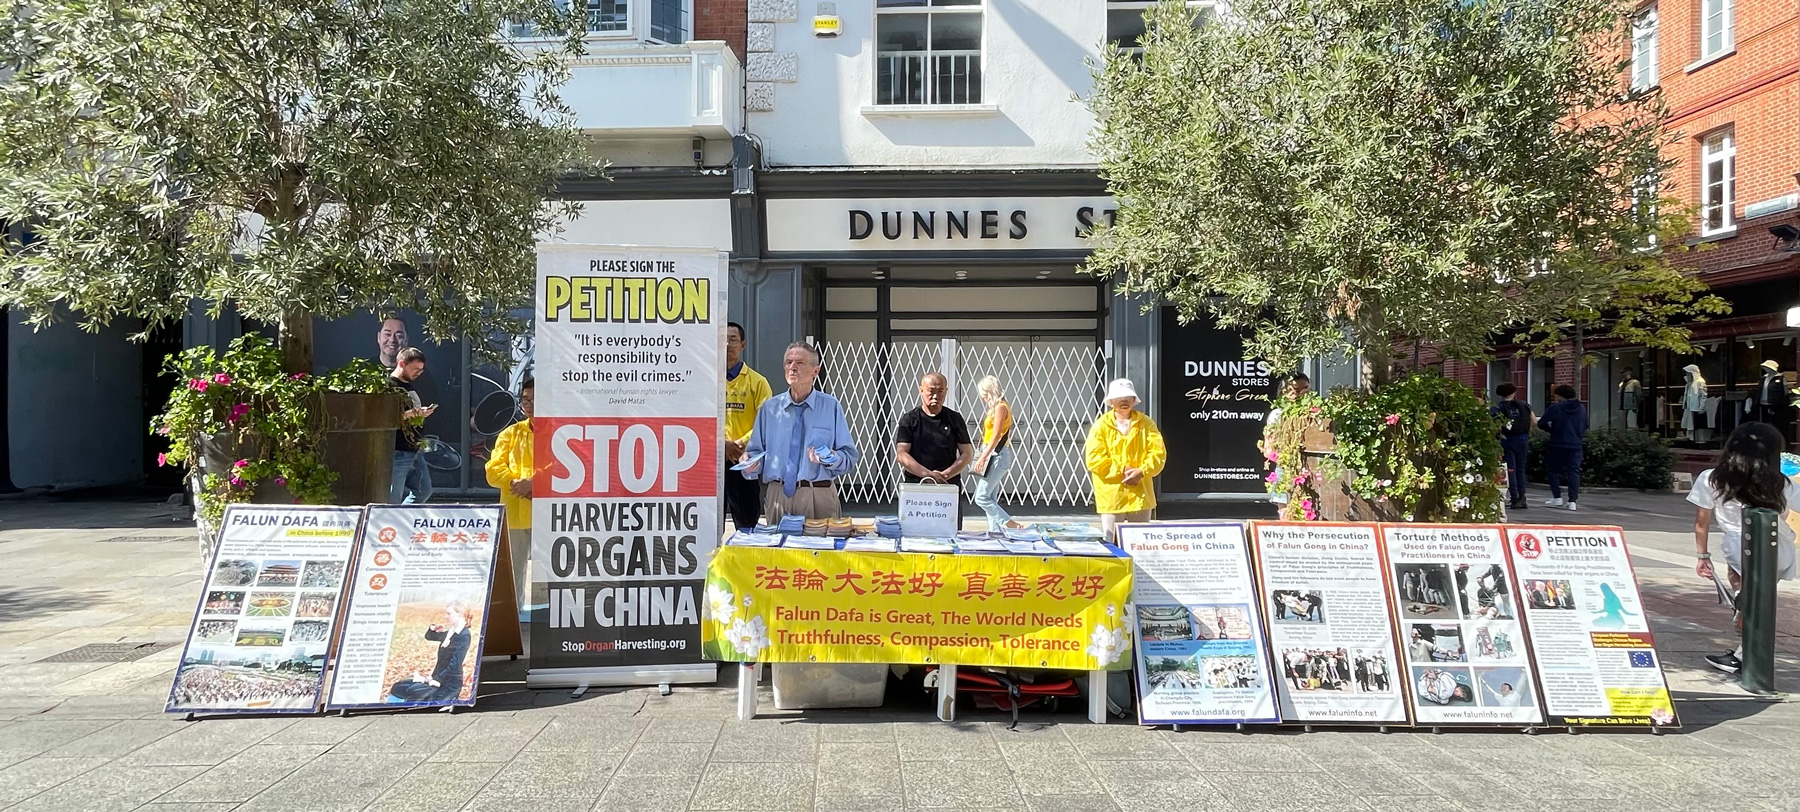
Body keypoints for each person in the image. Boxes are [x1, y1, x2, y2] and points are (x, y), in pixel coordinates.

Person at [1689, 422, 1800, 674]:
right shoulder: (1780, 483)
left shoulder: (1711, 478)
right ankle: (1742, 653)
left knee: (1740, 581)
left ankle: (1742, 598)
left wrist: (1703, 555)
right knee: (1763, 598)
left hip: (1739, 543)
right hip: (1777, 545)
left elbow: (1701, 522)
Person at [743, 342, 860, 522]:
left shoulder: (831, 407)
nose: (792, 367)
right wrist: (749, 463)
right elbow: (755, 454)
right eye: (788, 362)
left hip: (818, 495)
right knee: (777, 541)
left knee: (823, 541)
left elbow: (849, 458)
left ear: (815, 371)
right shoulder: (770, 409)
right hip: (778, 495)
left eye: (800, 363)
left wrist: (830, 458)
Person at [1085, 378, 1167, 543]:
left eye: (1127, 397)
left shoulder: (1146, 423)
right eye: (1119, 398)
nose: (1124, 401)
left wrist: (1141, 471)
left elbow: (1158, 453)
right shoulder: (1101, 426)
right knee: (1111, 541)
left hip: (1140, 494)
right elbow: (1094, 458)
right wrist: (1122, 471)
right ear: (1111, 401)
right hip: (1112, 495)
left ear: (1133, 399)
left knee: (1141, 542)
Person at [485, 377, 536, 607]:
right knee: (514, 570)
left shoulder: (559, 432)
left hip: (549, 514)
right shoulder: (510, 433)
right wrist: (517, 484)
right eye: (525, 400)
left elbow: (563, 467)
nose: (529, 405)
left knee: (551, 571)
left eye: (535, 400)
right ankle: (517, 616)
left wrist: (534, 483)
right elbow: (493, 470)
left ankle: (547, 617)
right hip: (516, 512)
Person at [723, 323, 772, 530]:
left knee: (747, 526)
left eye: (733, 339)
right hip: (713, 461)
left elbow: (766, 421)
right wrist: (721, 444)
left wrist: (740, 444)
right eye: (723, 339)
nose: (727, 344)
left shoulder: (757, 382)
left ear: (743, 344)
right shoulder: (708, 380)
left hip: (745, 461)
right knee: (710, 526)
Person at [895, 371, 974, 493]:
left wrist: (945, 475)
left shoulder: (954, 418)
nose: (936, 396)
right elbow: (902, 454)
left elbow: (967, 454)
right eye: (931, 391)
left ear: (946, 391)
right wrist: (928, 475)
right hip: (916, 485)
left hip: (948, 485)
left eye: (940, 391)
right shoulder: (909, 419)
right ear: (921, 390)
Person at [387, 602, 473, 703]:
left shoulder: (463, 635)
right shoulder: (451, 632)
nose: (446, 616)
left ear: (460, 614)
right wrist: (432, 629)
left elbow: (455, 664)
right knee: (398, 687)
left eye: (449, 613)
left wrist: (438, 679)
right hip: (436, 678)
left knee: (414, 693)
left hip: (449, 684)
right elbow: (430, 636)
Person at [970, 375, 1020, 530]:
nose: (983, 398)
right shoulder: (998, 407)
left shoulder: (1000, 407)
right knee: (991, 497)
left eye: (985, 394)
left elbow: (996, 435)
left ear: (991, 391)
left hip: (997, 454)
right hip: (995, 453)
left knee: (981, 497)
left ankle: (1008, 522)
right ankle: (995, 531)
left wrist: (983, 457)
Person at [389, 348, 437, 504]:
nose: (419, 373)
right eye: (416, 369)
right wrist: (412, 413)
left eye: (421, 370)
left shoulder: (408, 386)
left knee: (423, 491)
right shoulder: (389, 386)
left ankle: (403, 517)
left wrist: (420, 414)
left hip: (414, 449)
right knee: (392, 498)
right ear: (402, 364)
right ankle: (391, 518)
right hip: (398, 450)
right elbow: (387, 418)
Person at [1262, 373, 1310, 505]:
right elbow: (1268, 450)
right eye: (1297, 390)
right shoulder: (1278, 415)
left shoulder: (1313, 413)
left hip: (1310, 469)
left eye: (1306, 389)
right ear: (1285, 392)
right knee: (1285, 510)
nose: (1303, 394)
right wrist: (1288, 457)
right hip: (1286, 469)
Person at [1539, 384, 1588, 511]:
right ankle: (1572, 501)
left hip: (1557, 443)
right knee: (1573, 472)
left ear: (1560, 396)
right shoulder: (1581, 408)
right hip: (1576, 444)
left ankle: (1557, 497)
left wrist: (1552, 431)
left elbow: (1541, 423)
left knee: (1553, 470)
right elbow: (1586, 425)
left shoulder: (1556, 407)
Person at [1492, 383, 1534, 510]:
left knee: (1510, 469)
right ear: (1514, 392)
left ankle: (1514, 497)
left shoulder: (1497, 408)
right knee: (1520, 468)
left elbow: (1493, 425)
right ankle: (1522, 497)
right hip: (1522, 439)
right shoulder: (1524, 405)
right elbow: (1534, 421)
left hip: (1507, 439)